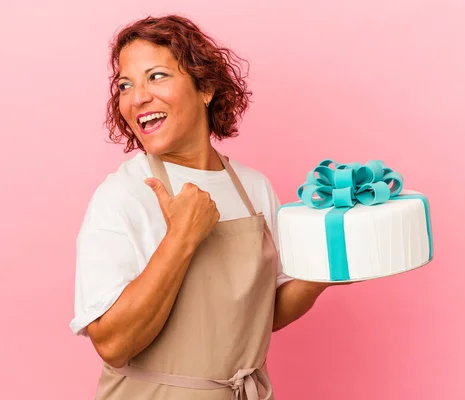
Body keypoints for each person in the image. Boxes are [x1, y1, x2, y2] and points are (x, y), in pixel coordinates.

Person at [70, 14, 346, 400]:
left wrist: (329, 273)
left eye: (157, 76)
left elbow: (262, 314)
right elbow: (113, 344)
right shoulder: (123, 195)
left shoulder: (253, 186)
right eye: (125, 85)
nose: (137, 97)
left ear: (205, 88)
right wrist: (182, 237)